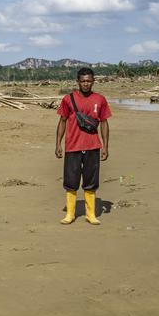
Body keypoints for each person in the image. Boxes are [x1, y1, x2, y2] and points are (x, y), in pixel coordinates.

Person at [55, 67, 111, 225]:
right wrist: (58, 143)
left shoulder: (100, 99)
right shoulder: (68, 99)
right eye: (83, 81)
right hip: (72, 146)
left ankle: (90, 214)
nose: (86, 84)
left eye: (89, 81)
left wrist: (105, 146)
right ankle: (70, 214)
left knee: (91, 181)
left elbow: (104, 123)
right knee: (70, 181)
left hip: (93, 146)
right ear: (78, 82)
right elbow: (62, 121)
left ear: (93, 81)